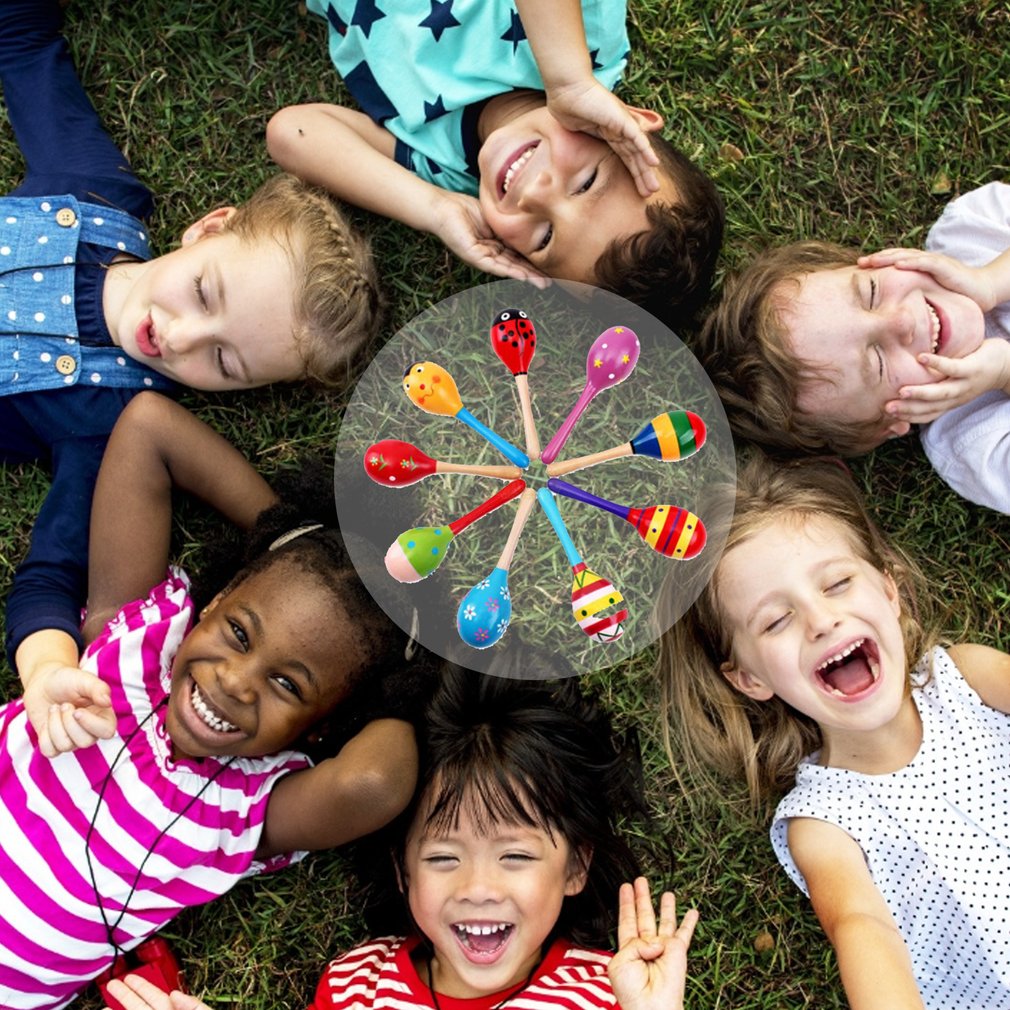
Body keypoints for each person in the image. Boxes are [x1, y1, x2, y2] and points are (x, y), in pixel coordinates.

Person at [1, 392, 435, 1009]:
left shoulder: (245, 812)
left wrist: (406, 680)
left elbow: (376, 783)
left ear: (320, 727)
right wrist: (287, 537)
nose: (235, 681)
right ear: (216, 599)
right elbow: (150, 428)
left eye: (289, 685)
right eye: (237, 632)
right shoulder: (129, 646)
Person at [1, 0, 381, 685]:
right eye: (206, 294)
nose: (179, 337)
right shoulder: (96, 193)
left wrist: (49, 670)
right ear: (209, 228)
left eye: (224, 362)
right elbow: (25, 48)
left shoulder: (105, 428)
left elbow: (51, 576)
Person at [100, 666, 699, 1010]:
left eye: (515, 854)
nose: (478, 888)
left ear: (575, 869)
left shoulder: (610, 991)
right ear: (403, 869)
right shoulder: (356, 984)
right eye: (443, 856)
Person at [657, 452, 1010, 1009]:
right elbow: (863, 928)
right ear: (749, 678)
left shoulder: (968, 676)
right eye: (776, 620)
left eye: (838, 583)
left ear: (889, 592)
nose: (822, 621)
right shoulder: (823, 822)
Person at [266, 0, 724, 327]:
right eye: (586, 182)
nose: (536, 194)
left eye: (545, 238)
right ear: (629, 124)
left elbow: (292, 133)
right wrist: (568, 79)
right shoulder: (587, 44)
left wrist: (436, 209)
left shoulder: (443, 170)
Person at [697, 182, 1010, 512]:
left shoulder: (973, 228)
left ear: (870, 263)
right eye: (877, 362)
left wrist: (991, 280)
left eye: (871, 292)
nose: (902, 321)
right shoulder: (975, 445)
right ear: (890, 425)